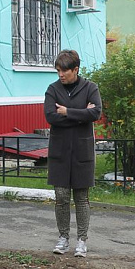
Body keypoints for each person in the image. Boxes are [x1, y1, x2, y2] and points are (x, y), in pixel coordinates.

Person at [44, 50, 102, 257]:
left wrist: (67, 112)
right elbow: (51, 117)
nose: (61, 75)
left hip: (81, 151)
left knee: (81, 197)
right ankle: (63, 238)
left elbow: (95, 112)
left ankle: (82, 240)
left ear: (75, 69)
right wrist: (81, 114)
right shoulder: (53, 90)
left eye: (64, 71)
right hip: (59, 151)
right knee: (61, 196)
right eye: (58, 71)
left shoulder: (90, 88)